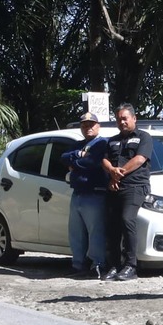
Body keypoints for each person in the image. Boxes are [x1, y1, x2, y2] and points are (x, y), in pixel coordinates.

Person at [99, 104, 153, 282]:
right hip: (115, 187)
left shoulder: (144, 137)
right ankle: (114, 265)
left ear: (134, 119)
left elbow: (139, 159)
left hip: (135, 186)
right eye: (119, 119)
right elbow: (105, 160)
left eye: (125, 118)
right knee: (112, 226)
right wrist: (112, 173)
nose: (122, 122)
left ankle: (131, 265)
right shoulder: (112, 140)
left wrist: (117, 174)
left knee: (127, 219)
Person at [59, 111, 112, 280]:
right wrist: (77, 156)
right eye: (84, 125)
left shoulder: (103, 143)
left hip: (95, 193)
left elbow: (93, 162)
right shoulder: (78, 144)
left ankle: (97, 265)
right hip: (78, 193)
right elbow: (63, 157)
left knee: (95, 232)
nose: (87, 127)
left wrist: (76, 163)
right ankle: (78, 265)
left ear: (98, 126)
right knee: (76, 232)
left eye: (91, 124)